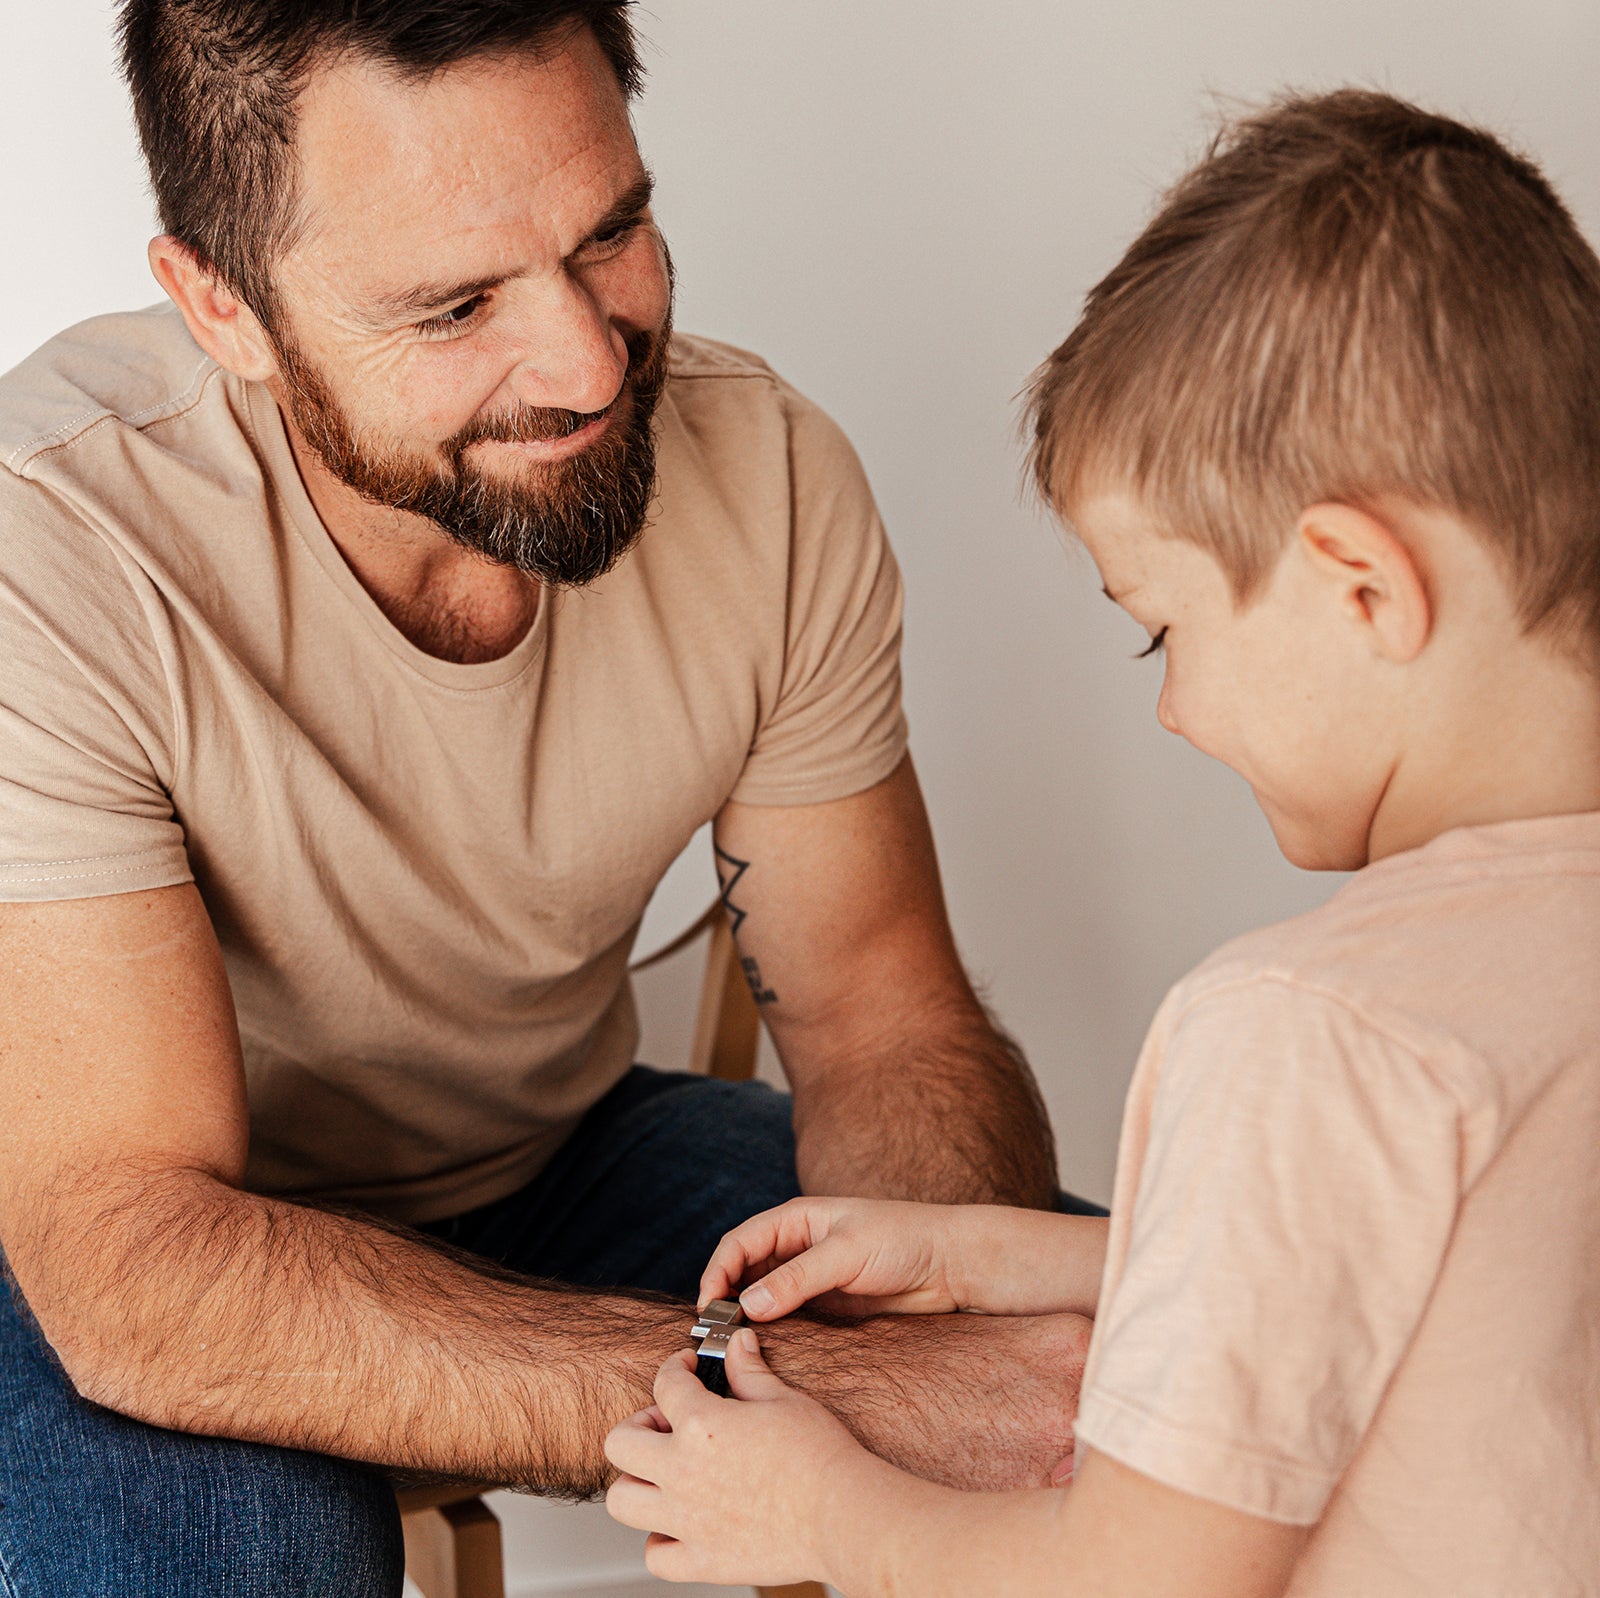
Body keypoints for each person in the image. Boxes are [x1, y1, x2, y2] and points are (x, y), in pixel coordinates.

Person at [0, 3, 1095, 1592]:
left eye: (612, 233)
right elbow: (137, 1249)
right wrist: (867, 1391)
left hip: (547, 1155)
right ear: (224, 308)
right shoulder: (51, 550)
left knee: (1170, 1378)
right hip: (110, 1235)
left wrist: (965, 1362)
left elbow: (882, 1019)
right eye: (455, 305)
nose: (588, 362)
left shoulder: (772, 477)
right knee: (248, 1559)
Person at [603, 89, 1600, 1597]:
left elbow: (1138, 1578)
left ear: (1360, 586)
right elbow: (1442, 1290)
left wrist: (824, 1513)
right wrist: (994, 1255)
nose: (1176, 711)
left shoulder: (1302, 1029)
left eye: (1162, 632)